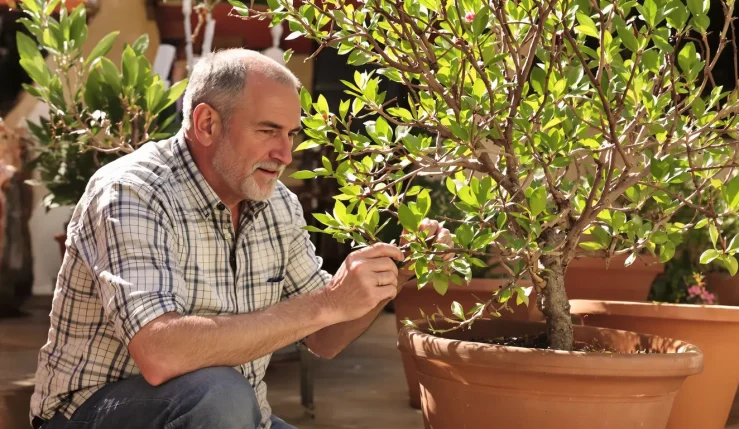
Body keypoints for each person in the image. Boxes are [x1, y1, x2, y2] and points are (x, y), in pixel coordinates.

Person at [30, 49, 451, 429]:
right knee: (221, 393)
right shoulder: (132, 191)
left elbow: (325, 337)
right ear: (207, 124)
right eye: (268, 131)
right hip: (90, 414)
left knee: (226, 399)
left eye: (291, 134)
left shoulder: (277, 204)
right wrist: (327, 302)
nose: (285, 155)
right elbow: (160, 352)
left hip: (233, 417)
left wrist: (395, 274)